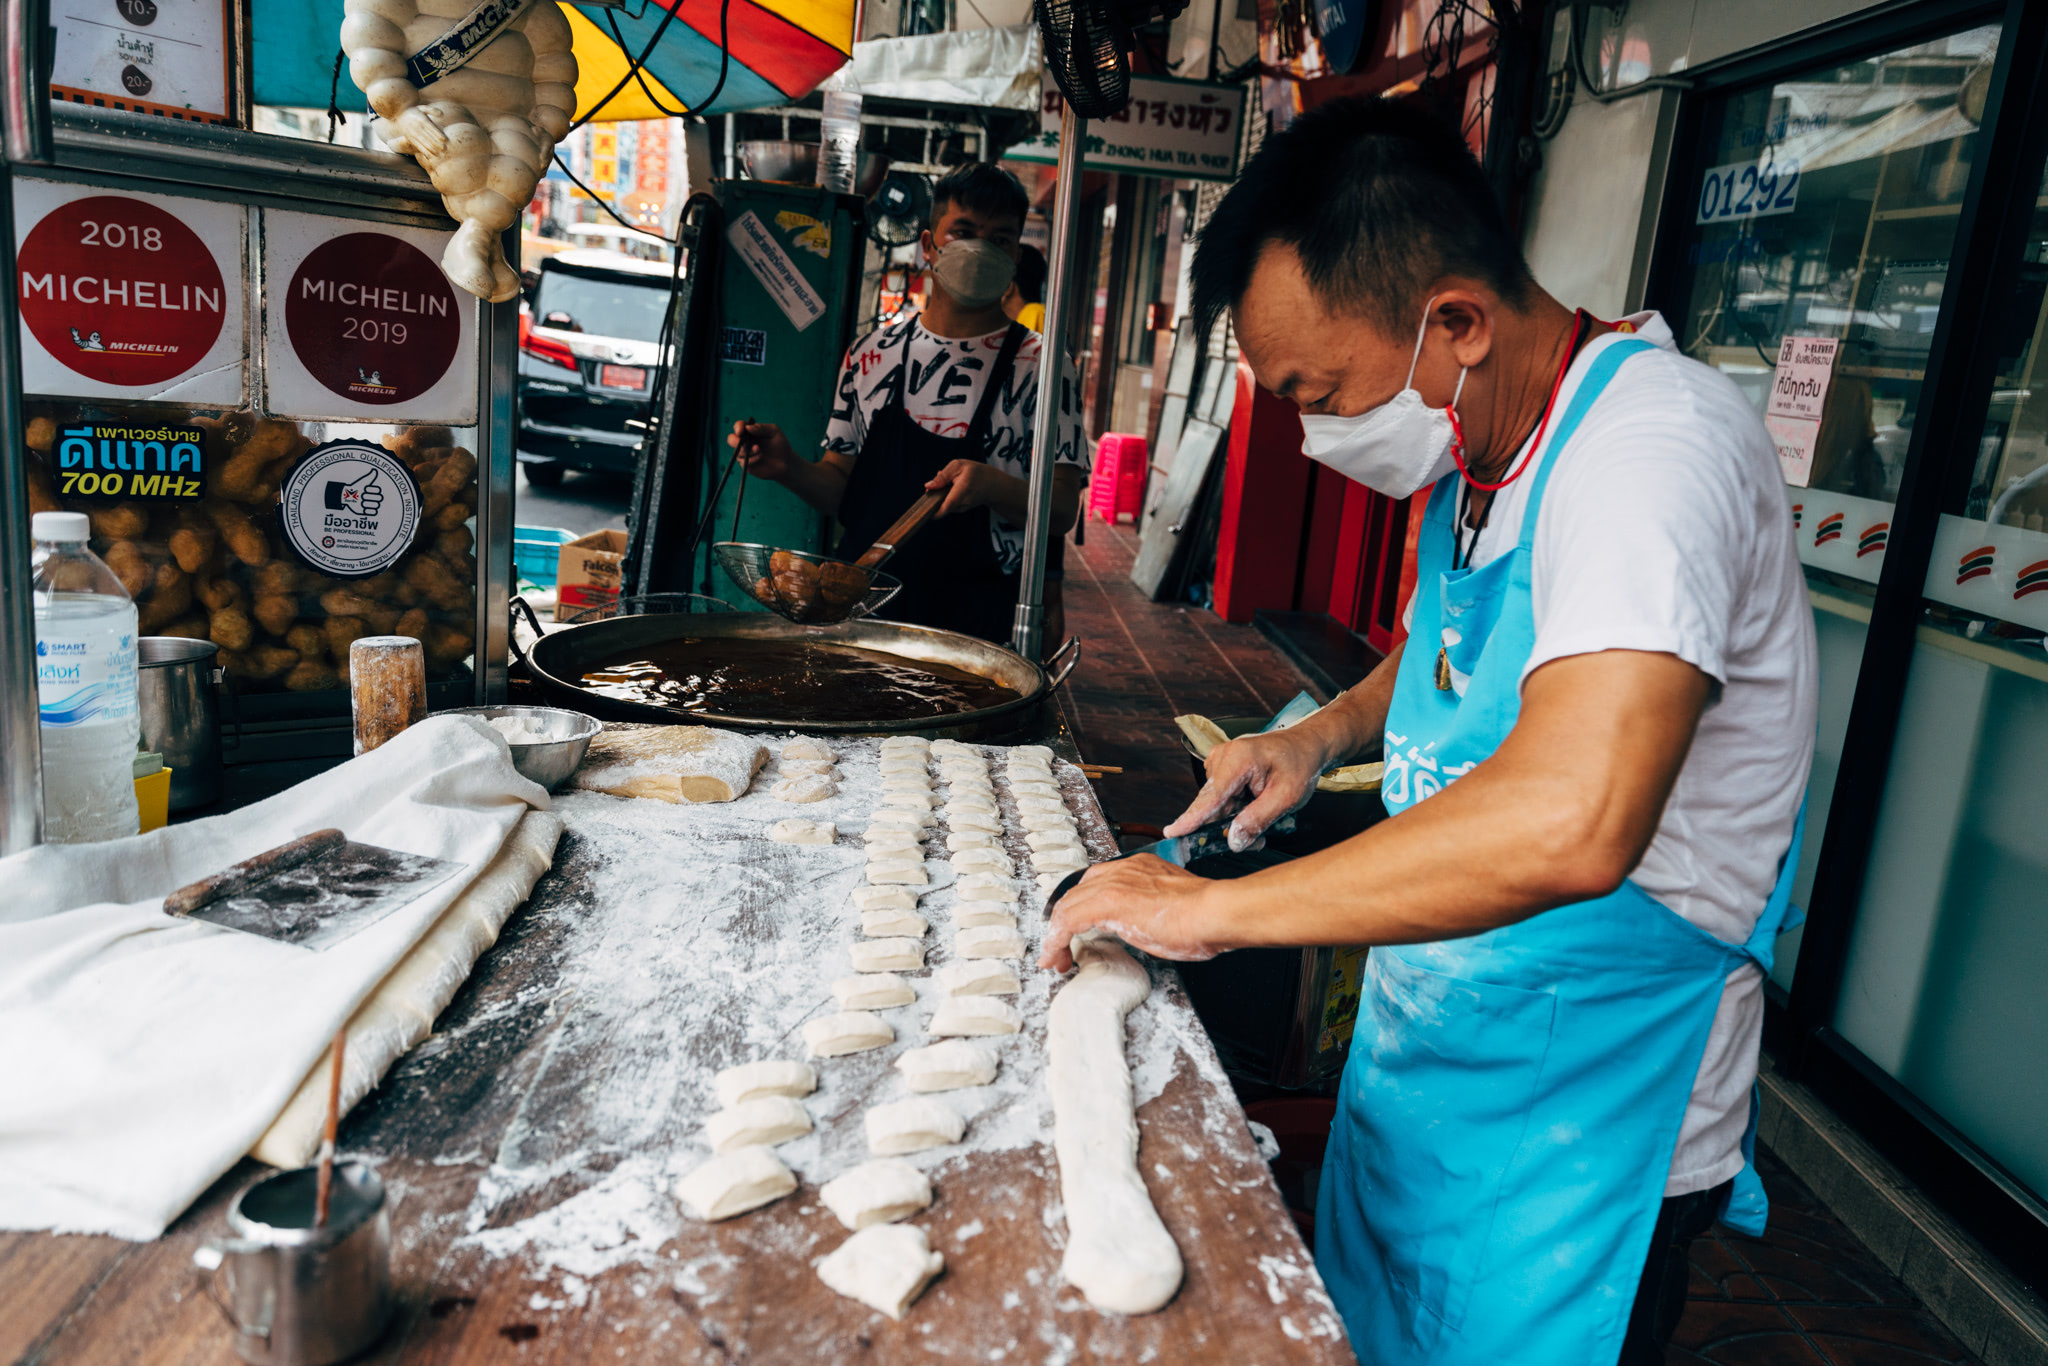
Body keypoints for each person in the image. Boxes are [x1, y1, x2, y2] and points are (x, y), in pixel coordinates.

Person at [1041, 98, 1817, 1365]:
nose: (1312, 430)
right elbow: (1452, 650)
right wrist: (1322, 730)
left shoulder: (1648, 457)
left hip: (1583, 1112)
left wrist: (1205, 912)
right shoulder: (1487, 441)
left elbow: (1572, 819)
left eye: (1323, 390)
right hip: (1436, 1044)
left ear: (1454, 320)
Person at [728, 165, 1085, 646]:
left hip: (976, 630)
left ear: (1016, 255)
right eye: (963, 231)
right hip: (861, 621)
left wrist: (992, 485)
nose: (979, 248)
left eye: (1000, 238)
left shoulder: (1042, 365)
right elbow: (842, 488)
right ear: (928, 244)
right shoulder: (871, 355)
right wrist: (788, 466)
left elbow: (1061, 509)